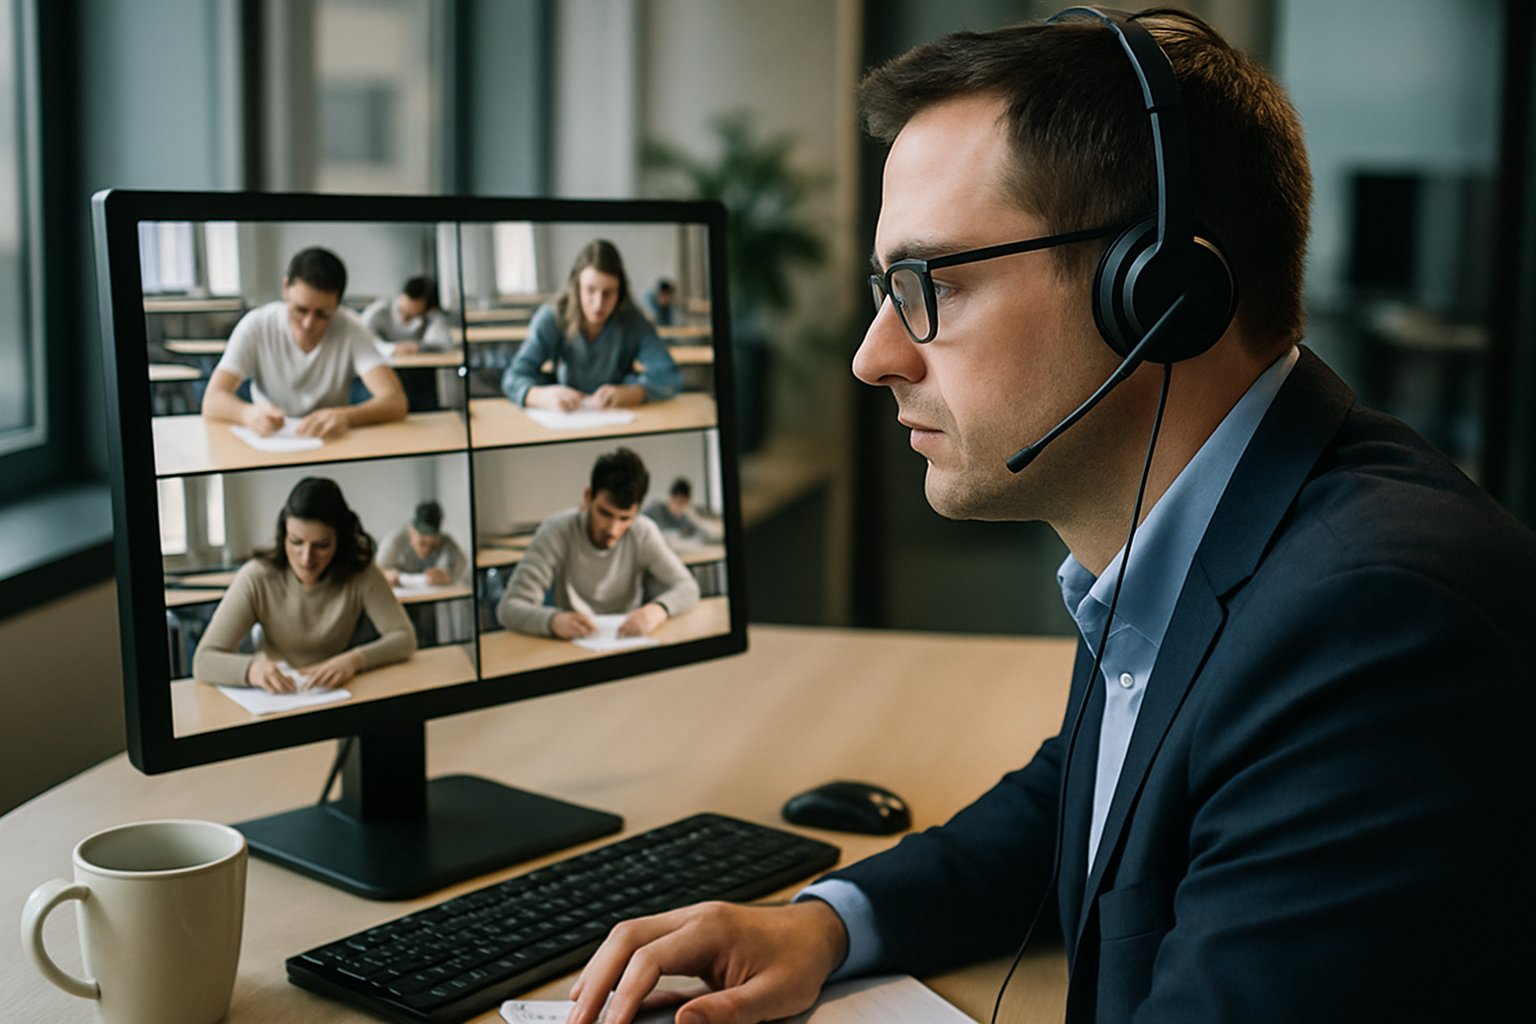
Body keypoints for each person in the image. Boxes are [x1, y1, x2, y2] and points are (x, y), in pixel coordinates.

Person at [567, 10, 1536, 1024]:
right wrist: (829, 921)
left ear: (1157, 295)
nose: (873, 355)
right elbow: (1094, 793)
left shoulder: (1377, 631)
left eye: (930, 284)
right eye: (882, 287)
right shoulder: (1215, 524)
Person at [193, 477, 415, 693]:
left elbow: (404, 639)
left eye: (322, 545)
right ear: (283, 536)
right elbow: (204, 660)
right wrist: (252, 669)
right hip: (277, 693)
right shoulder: (257, 576)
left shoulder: (361, 573)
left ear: (340, 540)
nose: (306, 558)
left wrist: (354, 660)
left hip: (335, 691)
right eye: (296, 542)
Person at [202, 247, 408, 439]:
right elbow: (212, 400)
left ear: (338, 304)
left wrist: (348, 416)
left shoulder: (352, 328)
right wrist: (246, 413)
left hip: (329, 440)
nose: (309, 324)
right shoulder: (256, 325)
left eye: (322, 314)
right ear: (286, 289)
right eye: (300, 310)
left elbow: (395, 401)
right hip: (271, 438)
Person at [498, 447, 699, 640]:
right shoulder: (556, 530)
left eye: (625, 518)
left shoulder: (643, 531)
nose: (613, 530)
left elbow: (688, 587)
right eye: (605, 513)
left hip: (628, 640)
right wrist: (552, 621)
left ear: (636, 513)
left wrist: (658, 610)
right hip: (571, 644)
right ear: (588, 498)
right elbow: (509, 608)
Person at [501, 240, 681, 411]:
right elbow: (513, 378)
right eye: (590, 290)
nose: (598, 304)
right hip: (565, 417)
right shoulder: (552, 317)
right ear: (576, 287)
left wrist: (631, 394)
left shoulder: (634, 320)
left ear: (620, 292)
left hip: (618, 419)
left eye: (608, 293)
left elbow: (670, 376)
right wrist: (540, 396)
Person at [377, 499, 470, 587]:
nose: (427, 550)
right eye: (422, 543)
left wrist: (449, 576)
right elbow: (376, 571)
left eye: (433, 546)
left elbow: (465, 568)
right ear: (411, 532)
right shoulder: (394, 541)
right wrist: (386, 575)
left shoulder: (445, 541)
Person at [362, 275, 454, 355]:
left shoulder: (429, 314)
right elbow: (363, 341)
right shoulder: (378, 311)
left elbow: (445, 343)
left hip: (418, 368)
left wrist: (419, 347)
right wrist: (392, 349)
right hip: (384, 365)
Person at [642, 477, 719, 542]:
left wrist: (695, 518)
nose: (681, 507)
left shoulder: (685, 517)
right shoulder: (655, 509)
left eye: (685, 503)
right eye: (679, 502)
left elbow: (707, 533)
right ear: (671, 498)